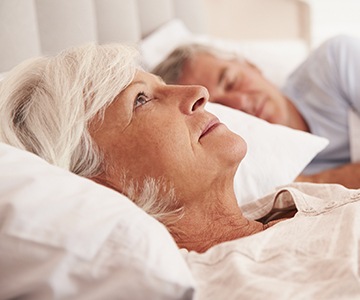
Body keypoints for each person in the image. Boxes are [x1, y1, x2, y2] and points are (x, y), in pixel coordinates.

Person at [0, 43, 356, 256]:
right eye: (141, 100)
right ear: (101, 183)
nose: (198, 93)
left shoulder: (292, 204)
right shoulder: (243, 278)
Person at [152, 35, 360, 189]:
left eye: (232, 82)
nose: (239, 102)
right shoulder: (259, 177)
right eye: (221, 109)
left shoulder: (335, 62)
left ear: (251, 66)